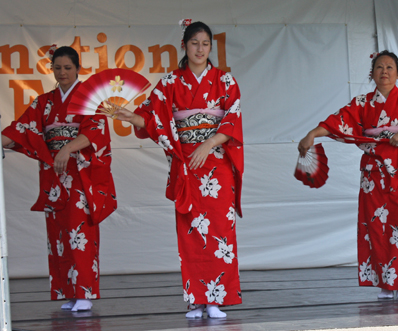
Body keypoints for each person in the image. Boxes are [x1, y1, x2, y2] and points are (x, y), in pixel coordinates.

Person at [112, 21, 243, 318]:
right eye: (194, 43)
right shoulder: (170, 81)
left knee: (220, 228)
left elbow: (232, 122)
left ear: (211, 47)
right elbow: (153, 120)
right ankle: (196, 298)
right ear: (184, 45)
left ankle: (215, 298)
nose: (200, 49)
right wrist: (129, 116)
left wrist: (207, 144)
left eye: (205, 43)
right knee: (191, 230)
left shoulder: (225, 81)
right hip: (186, 165)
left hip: (216, 162)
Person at [298, 50, 398, 299]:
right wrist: (312, 134)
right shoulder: (362, 103)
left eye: (390, 67)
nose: (384, 71)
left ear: (397, 73)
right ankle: (384, 283)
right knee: (376, 228)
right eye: (379, 67)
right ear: (371, 73)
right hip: (374, 175)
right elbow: (336, 122)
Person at [1, 46, 117, 311]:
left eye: (68, 68)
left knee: (80, 233)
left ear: (78, 69)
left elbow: (95, 132)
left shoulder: (90, 99)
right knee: (59, 236)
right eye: (58, 68)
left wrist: (67, 147)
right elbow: (20, 130)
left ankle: (85, 293)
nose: (62, 73)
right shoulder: (43, 102)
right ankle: (69, 292)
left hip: (80, 175)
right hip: (55, 176)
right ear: (51, 69)